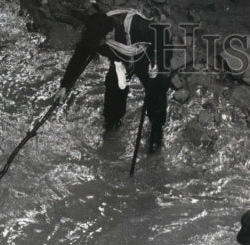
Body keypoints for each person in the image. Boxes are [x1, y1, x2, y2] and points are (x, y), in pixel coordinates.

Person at [54, 10, 172, 152]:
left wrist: (159, 64)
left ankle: (156, 131)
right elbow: (79, 57)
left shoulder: (136, 26)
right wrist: (65, 86)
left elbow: (163, 37)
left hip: (144, 59)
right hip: (120, 62)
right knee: (113, 92)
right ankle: (112, 124)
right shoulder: (92, 32)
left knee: (156, 92)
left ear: (108, 35)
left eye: (99, 43)